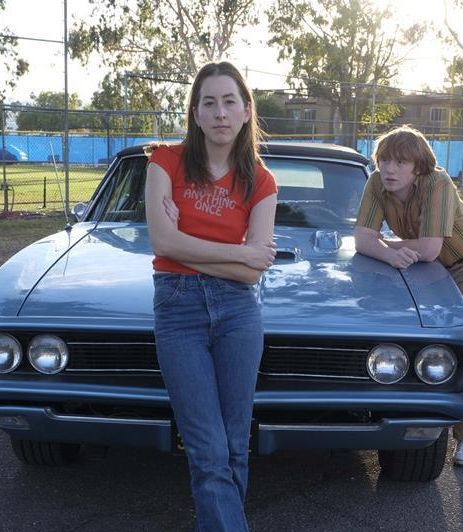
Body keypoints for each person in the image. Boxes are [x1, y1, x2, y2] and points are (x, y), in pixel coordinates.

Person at [145, 61, 277, 530]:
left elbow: (252, 274)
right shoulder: (164, 161)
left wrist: (190, 247)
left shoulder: (260, 181)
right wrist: (235, 253)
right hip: (178, 311)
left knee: (234, 443)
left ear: (245, 112)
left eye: (229, 102)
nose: (220, 112)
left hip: (238, 313)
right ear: (195, 113)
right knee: (207, 447)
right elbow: (163, 245)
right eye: (209, 102)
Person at [354, 125, 463, 467]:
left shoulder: (437, 182)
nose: (389, 169)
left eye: (400, 162)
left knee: (460, 343)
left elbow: (428, 248)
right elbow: (361, 239)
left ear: (418, 167)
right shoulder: (375, 184)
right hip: (435, 270)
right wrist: (387, 253)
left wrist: (384, 245)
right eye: (384, 160)